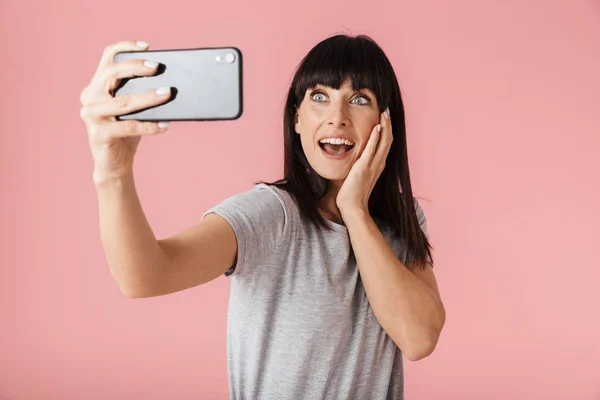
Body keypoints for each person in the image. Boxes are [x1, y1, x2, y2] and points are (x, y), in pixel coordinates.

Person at [79, 33, 446, 400]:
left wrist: (355, 211)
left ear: (386, 123)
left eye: (359, 99)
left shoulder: (401, 218)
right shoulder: (273, 213)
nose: (337, 117)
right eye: (320, 96)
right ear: (297, 118)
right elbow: (145, 277)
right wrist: (112, 172)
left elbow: (418, 339)